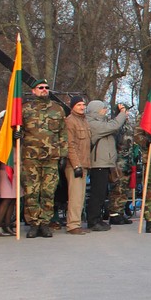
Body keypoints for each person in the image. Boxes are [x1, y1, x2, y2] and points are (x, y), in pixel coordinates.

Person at [21, 78, 67, 238]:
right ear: (33, 91)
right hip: (31, 158)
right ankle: (34, 223)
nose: (44, 90)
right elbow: (15, 129)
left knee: (48, 192)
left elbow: (63, 134)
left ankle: (45, 223)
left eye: (46, 87)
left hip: (51, 157)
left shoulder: (57, 109)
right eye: (40, 87)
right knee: (31, 192)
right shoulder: (25, 109)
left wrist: (63, 154)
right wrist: (16, 134)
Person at [86, 99, 129, 231]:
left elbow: (113, 126)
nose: (105, 110)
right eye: (103, 108)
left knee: (101, 193)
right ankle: (93, 220)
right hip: (98, 163)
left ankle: (98, 218)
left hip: (104, 162)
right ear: (96, 110)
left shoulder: (100, 122)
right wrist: (122, 113)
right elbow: (113, 126)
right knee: (97, 193)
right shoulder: (92, 124)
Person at [64, 96, 91, 235]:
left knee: (80, 197)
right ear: (73, 106)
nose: (82, 107)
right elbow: (70, 145)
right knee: (75, 196)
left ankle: (77, 223)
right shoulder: (70, 121)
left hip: (84, 163)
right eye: (79, 104)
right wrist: (76, 165)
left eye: (83, 104)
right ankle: (73, 224)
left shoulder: (84, 121)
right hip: (75, 165)